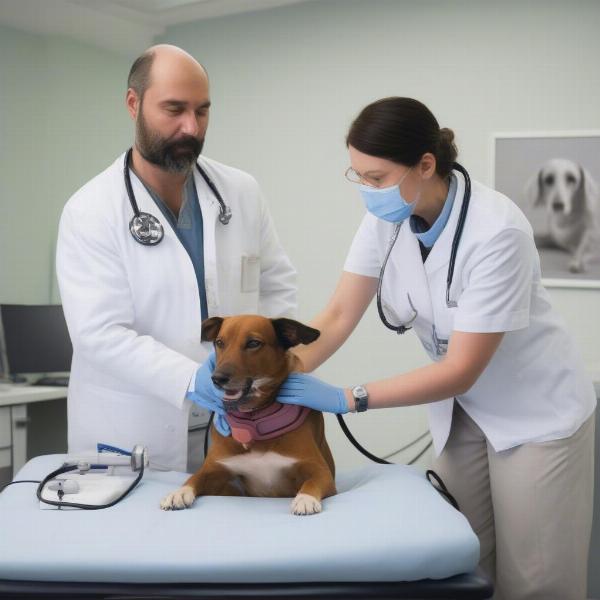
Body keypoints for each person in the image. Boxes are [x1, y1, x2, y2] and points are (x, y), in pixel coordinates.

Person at [272, 98, 595, 599]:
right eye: (357, 176)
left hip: (534, 411)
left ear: (426, 165)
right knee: (459, 562)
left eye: (376, 178)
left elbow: (461, 368)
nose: (367, 192)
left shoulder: (497, 231)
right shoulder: (387, 218)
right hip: (464, 411)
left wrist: (347, 397)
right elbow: (337, 316)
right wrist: (270, 379)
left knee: (534, 581)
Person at [56, 45, 296, 472]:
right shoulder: (90, 209)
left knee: (234, 530)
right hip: (134, 430)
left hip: (237, 419)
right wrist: (190, 379)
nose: (191, 127)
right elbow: (99, 333)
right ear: (134, 104)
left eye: (202, 111)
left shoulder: (240, 192)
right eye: (174, 109)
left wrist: (275, 364)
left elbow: (276, 285)